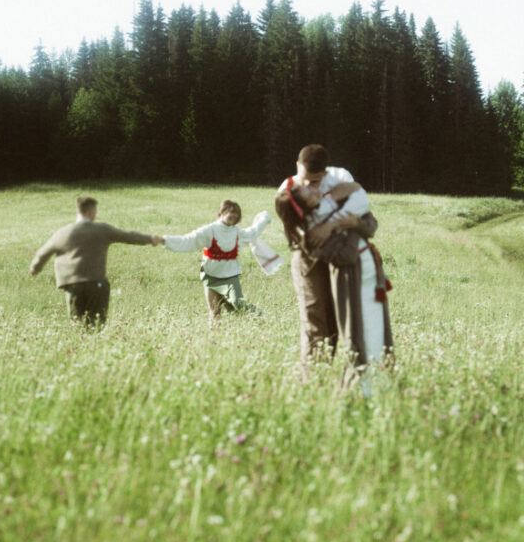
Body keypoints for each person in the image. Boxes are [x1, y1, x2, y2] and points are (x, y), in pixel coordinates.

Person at [276, 180, 392, 385]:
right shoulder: (311, 231)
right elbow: (345, 255)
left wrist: (351, 224)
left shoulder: (334, 198)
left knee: (376, 324)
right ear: (306, 210)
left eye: (310, 189)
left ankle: (381, 378)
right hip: (349, 276)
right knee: (345, 328)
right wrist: (345, 227)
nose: (314, 191)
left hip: (370, 272)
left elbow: (371, 225)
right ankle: (343, 383)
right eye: (309, 196)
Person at [276, 144, 377, 371]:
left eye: (315, 182)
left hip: (342, 259)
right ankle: (311, 376)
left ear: (325, 173)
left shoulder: (340, 177)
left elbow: (368, 221)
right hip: (307, 260)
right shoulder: (286, 189)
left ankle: (340, 373)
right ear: (297, 166)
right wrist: (334, 205)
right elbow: (302, 237)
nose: (308, 186)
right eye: (304, 179)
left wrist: (334, 223)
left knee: (338, 318)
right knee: (314, 316)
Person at [30, 196, 161, 327]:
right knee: (96, 324)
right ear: (91, 212)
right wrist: (149, 239)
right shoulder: (102, 230)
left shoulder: (63, 233)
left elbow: (43, 253)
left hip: (73, 285)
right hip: (96, 283)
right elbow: (128, 236)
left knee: (77, 325)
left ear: (78, 210)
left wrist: (35, 268)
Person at [160, 199, 278, 323]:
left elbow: (253, 232)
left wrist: (265, 218)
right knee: (214, 312)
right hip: (210, 277)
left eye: (237, 213)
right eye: (231, 212)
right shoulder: (209, 230)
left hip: (230, 277)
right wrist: (164, 240)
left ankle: (261, 318)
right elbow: (188, 241)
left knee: (238, 303)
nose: (234, 216)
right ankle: (213, 339)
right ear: (221, 212)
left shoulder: (238, 232)